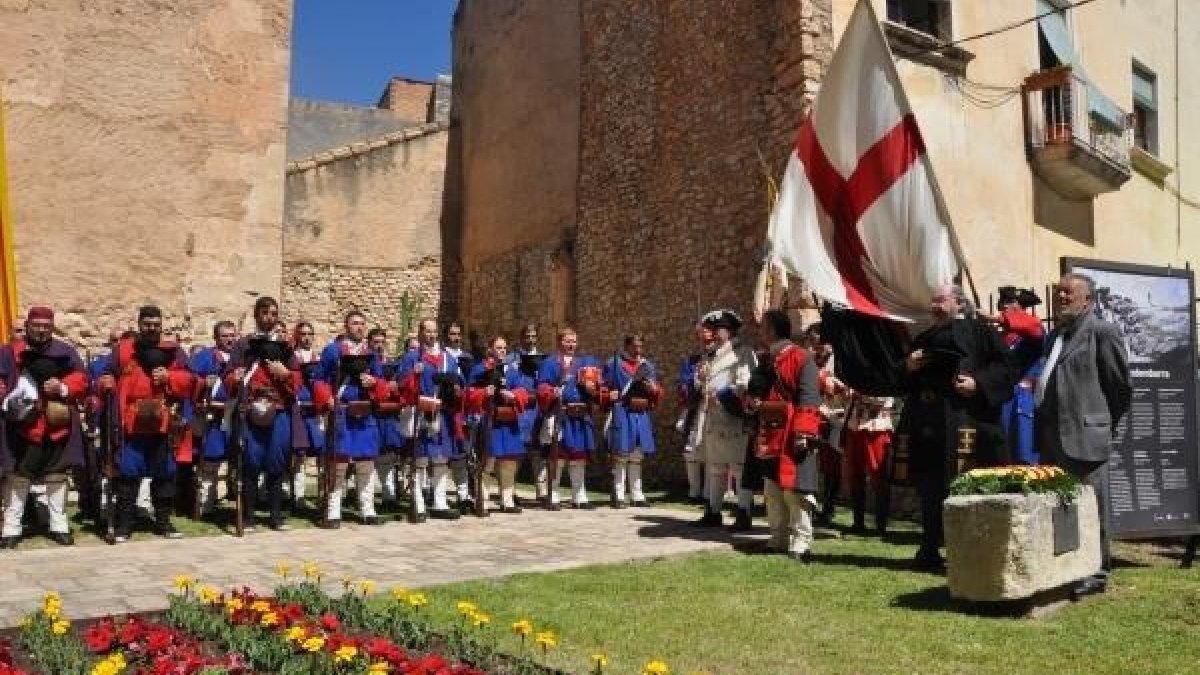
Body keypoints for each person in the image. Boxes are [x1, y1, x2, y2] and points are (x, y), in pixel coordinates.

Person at [895, 284, 1023, 571]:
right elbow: (900, 381)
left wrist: (978, 383)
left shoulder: (982, 333)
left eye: (940, 301)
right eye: (933, 302)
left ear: (959, 303)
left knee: (965, 485)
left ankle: (970, 551)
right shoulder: (924, 338)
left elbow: (1009, 369)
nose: (935, 307)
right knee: (930, 487)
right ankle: (929, 548)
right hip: (928, 424)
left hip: (967, 421)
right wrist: (909, 366)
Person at [1035, 272, 1131, 599]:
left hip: (1086, 437)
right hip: (1052, 437)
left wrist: (1102, 424)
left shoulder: (1101, 332)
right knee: (1061, 504)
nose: (1061, 298)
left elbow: (1120, 388)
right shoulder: (1053, 337)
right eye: (1058, 293)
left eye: (1068, 293)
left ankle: (1098, 571)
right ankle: (1068, 565)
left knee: (1094, 506)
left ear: (1087, 299)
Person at [96, 305, 195, 542]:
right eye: (147, 324)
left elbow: (192, 380)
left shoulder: (174, 352)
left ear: (161, 325)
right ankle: (124, 526)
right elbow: (103, 375)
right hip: (131, 423)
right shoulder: (123, 350)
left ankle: (163, 523)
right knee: (129, 475)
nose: (152, 328)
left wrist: (170, 377)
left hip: (163, 422)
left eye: (156, 324)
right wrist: (106, 382)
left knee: (164, 475)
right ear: (139, 324)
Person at [0, 307, 89, 548]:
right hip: (21, 425)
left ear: (52, 328)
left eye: (46, 327)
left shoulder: (66, 351)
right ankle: (11, 528)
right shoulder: (9, 351)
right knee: (17, 477)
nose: (41, 330)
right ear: (28, 326)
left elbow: (81, 380)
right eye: (36, 325)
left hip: (55, 424)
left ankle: (58, 525)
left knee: (57, 476)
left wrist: (61, 387)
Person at [744, 310, 823, 562]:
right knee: (772, 488)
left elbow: (809, 397)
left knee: (795, 491)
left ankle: (801, 541)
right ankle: (777, 537)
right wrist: (752, 402)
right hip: (769, 432)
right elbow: (755, 394)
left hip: (793, 432)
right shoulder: (766, 360)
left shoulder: (801, 358)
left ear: (771, 330)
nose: (760, 332)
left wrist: (803, 432)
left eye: (762, 327)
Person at [227, 298, 301, 531]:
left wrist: (285, 374)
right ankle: (249, 517)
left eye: (274, 313)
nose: (270, 317)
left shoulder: (286, 346)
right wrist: (235, 378)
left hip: (278, 410)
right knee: (250, 461)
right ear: (257, 315)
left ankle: (275, 515)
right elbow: (229, 375)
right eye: (266, 313)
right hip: (250, 409)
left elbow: (297, 379)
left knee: (277, 462)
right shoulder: (243, 345)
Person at [318, 310, 388, 527]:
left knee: (366, 463)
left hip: (364, 411)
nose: (359, 327)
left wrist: (373, 384)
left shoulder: (371, 354)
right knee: (338, 463)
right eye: (355, 323)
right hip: (341, 410)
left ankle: (368, 509)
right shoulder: (333, 350)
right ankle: (333, 510)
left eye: (362, 324)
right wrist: (327, 398)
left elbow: (382, 383)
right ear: (346, 326)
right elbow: (320, 380)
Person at [692, 309, 757, 530]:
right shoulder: (711, 355)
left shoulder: (743, 353)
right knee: (716, 466)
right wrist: (700, 380)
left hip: (733, 418)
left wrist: (721, 394)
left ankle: (744, 511)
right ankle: (713, 510)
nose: (713, 333)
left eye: (718, 329)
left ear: (729, 331)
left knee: (739, 466)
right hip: (714, 418)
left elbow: (745, 383)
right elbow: (701, 387)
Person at [397, 318, 466, 520]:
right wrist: (413, 374)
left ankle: (440, 501)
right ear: (420, 333)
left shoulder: (448, 358)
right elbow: (401, 384)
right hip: (421, 410)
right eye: (427, 331)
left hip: (442, 413)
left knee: (441, 458)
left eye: (434, 331)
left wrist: (456, 388)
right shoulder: (412, 357)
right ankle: (417, 502)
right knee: (420, 459)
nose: (431, 335)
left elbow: (459, 382)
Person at [536, 327, 603, 510]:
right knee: (558, 457)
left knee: (578, 458)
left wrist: (592, 389)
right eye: (567, 341)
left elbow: (598, 389)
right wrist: (552, 392)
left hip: (580, 418)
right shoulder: (549, 363)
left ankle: (579, 496)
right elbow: (541, 388)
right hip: (560, 415)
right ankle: (554, 494)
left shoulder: (584, 364)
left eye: (574, 341)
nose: (571, 344)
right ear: (559, 342)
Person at [465, 336, 532, 513]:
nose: (502, 351)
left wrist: (514, 395)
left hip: (508, 420)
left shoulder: (511, 370)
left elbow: (523, 390)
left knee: (509, 462)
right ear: (490, 349)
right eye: (498, 347)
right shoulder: (479, 369)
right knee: (487, 460)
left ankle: (507, 501)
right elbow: (470, 394)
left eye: (504, 348)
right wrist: (484, 393)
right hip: (489, 421)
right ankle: (483, 500)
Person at [602, 334, 662, 508]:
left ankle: (637, 494)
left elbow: (656, 391)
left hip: (640, 413)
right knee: (620, 454)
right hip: (622, 411)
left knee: (637, 455)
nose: (638, 350)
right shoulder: (613, 364)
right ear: (626, 346)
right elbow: (604, 387)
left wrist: (654, 389)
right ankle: (619, 495)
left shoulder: (647, 366)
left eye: (640, 347)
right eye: (634, 346)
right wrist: (608, 395)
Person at [994, 286, 1047, 465]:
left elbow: (1033, 326)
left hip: (1023, 400)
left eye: (1010, 302)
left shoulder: (1032, 328)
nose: (1004, 307)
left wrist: (999, 319)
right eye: (1003, 303)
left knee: (1025, 457)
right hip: (1001, 398)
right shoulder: (1000, 336)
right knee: (1002, 456)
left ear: (1021, 307)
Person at [189, 321, 236, 520]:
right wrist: (202, 385)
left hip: (234, 416)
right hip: (211, 417)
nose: (229, 339)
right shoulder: (205, 357)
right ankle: (206, 506)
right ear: (216, 338)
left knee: (235, 459)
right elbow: (190, 380)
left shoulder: (240, 358)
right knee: (210, 460)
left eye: (232, 335)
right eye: (225, 336)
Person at [289, 321, 329, 513]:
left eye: (310, 334)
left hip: (315, 411)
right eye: (303, 334)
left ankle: (323, 494)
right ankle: (298, 497)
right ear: (297, 336)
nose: (306, 337)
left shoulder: (319, 358)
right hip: (297, 409)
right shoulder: (291, 358)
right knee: (299, 455)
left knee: (321, 452)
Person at [676, 321, 712, 505]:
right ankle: (694, 491)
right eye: (701, 334)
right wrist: (696, 379)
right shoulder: (691, 361)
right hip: (696, 409)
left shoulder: (723, 359)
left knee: (712, 452)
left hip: (714, 410)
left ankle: (708, 494)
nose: (705, 337)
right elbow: (683, 385)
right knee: (691, 451)